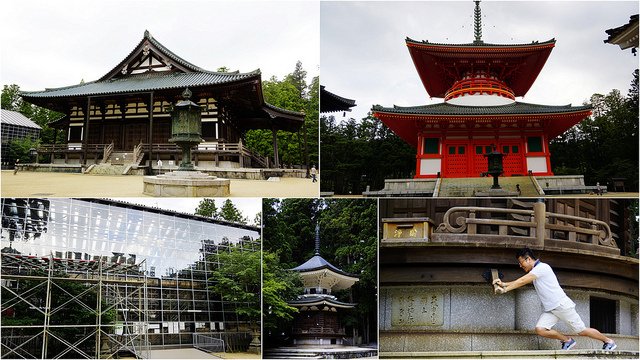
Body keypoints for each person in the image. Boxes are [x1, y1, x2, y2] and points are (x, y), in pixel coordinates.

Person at [494, 248, 617, 351]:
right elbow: (521, 280)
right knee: (540, 329)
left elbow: (522, 281)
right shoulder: (535, 270)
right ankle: (567, 340)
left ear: (528, 259)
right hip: (551, 309)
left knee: (581, 330)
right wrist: (504, 284)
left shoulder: (542, 268)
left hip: (561, 306)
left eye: (521, 263)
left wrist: (505, 289)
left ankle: (609, 341)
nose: (520, 266)